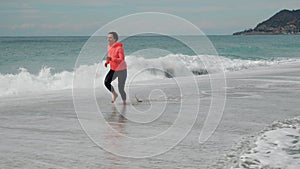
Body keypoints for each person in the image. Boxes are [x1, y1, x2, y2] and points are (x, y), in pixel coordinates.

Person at [104, 32, 127, 105]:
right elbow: (109, 56)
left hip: (122, 70)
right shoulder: (109, 46)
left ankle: (124, 103)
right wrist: (107, 62)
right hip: (113, 69)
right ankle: (114, 94)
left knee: (121, 88)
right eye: (108, 37)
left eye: (110, 38)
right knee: (106, 82)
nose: (108, 39)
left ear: (115, 39)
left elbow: (122, 59)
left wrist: (112, 59)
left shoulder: (119, 48)